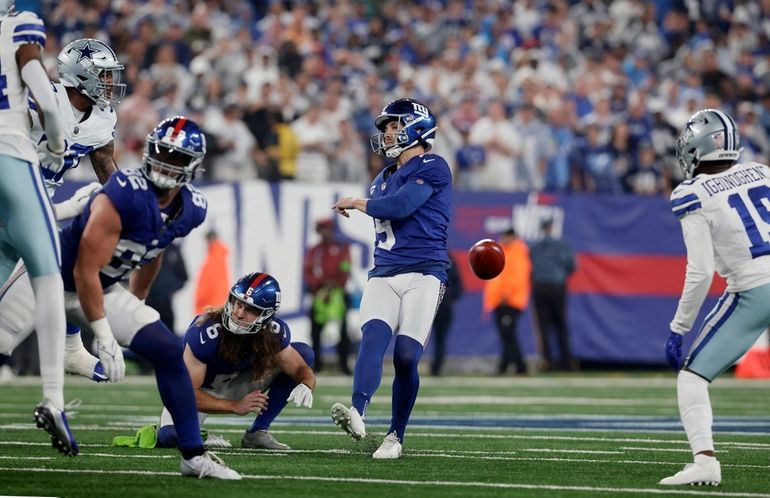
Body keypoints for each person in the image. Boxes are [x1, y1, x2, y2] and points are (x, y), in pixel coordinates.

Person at [0, 116, 241, 479]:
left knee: (167, 350)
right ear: (148, 152)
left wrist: (138, 301)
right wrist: (104, 335)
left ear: (192, 166)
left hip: (102, 286)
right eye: (162, 154)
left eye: (176, 159)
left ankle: (193, 457)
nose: (166, 164)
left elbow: (154, 250)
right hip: (46, 277)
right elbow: (83, 269)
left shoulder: (191, 208)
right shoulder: (123, 192)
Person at [329, 97, 451, 459]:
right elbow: (388, 203)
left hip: (425, 271)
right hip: (385, 270)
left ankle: (395, 436)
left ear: (415, 127)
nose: (386, 133)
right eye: (384, 128)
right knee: (372, 338)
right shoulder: (382, 178)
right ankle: (357, 412)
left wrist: (353, 201)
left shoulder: (433, 165)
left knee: (406, 356)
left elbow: (400, 206)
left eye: (394, 125)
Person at [661, 109, 770, 487]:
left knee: (691, 378)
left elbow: (701, 271)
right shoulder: (761, 171)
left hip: (754, 289)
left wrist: (679, 327)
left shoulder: (692, 194)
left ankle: (705, 462)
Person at [0, 0, 77, 455]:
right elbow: (40, 89)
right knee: (48, 275)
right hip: (11, 149)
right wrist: (56, 138)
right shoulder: (18, 24)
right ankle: (53, 396)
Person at [28, 38, 127, 383]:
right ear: (81, 75)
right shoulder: (43, 98)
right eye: (104, 74)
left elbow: (104, 162)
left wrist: (128, 202)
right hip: (13, 190)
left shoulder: (102, 117)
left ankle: (71, 347)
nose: (111, 82)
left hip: (41, 199)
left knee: (65, 265)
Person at [156, 272, 315, 450]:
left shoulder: (274, 332)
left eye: (249, 309)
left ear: (266, 315)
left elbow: (301, 367)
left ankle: (258, 432)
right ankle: (200, 435)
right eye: (238, 304)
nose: (239, 313)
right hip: (202, 390)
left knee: (304, 352)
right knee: (170, 436)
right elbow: (184, 392)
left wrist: (306, 384)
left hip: (242, 381)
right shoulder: (205, 331)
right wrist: (234, 406)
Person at [303, 217, 352, 374]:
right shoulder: (314, 250)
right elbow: (308, 271)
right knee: (316, 331)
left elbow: (345, 268)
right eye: (323, 229)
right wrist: (320, 286)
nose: (326, 232)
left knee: (341, 331)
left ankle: (343, 365)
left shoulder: (341, 248)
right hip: (320, 295)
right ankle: (317, 364)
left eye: (328, 229)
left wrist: (334, 285)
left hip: (337, 294)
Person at [529, 218, 577, 371]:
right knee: (561, 325)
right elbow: (572, 266)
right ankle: (566, 361)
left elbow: (529, 266)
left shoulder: (534, 246)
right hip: (557, 286)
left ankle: (548, 362)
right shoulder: (562, 245)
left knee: (543, 326)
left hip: (540, 287)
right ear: (551, 227)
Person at [483, 228, 532, 375]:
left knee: (509, 334)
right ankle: (508, 366)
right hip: (499, 300)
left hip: (509, 301)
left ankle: (518, 366)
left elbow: (517, 276)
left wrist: (506, 294)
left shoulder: (518, 252)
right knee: (506, 335)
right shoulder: (502, 249)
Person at [431, 253, 463, 376]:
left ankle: (436, 367)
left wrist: (447, 297)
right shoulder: (448, 258)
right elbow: (458, 286)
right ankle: (410, 364)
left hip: (440, 305)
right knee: (417, 336)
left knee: (439, 338)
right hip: (431, 303)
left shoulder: (448, 258)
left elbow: (458, 285)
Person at [145, 241, 188, 333]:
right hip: (146, 302)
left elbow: (184, 276)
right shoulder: (148, 246)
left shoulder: (174, 250)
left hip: (165, 302)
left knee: (168, 333)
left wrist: (169, 290)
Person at [194, 230, 231, 314]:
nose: (208, 242)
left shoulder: (215, 258)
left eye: (209, 239)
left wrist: (200, 300)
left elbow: (209, 283)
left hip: (211, 305)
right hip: (216, 303)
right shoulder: (218, 256)